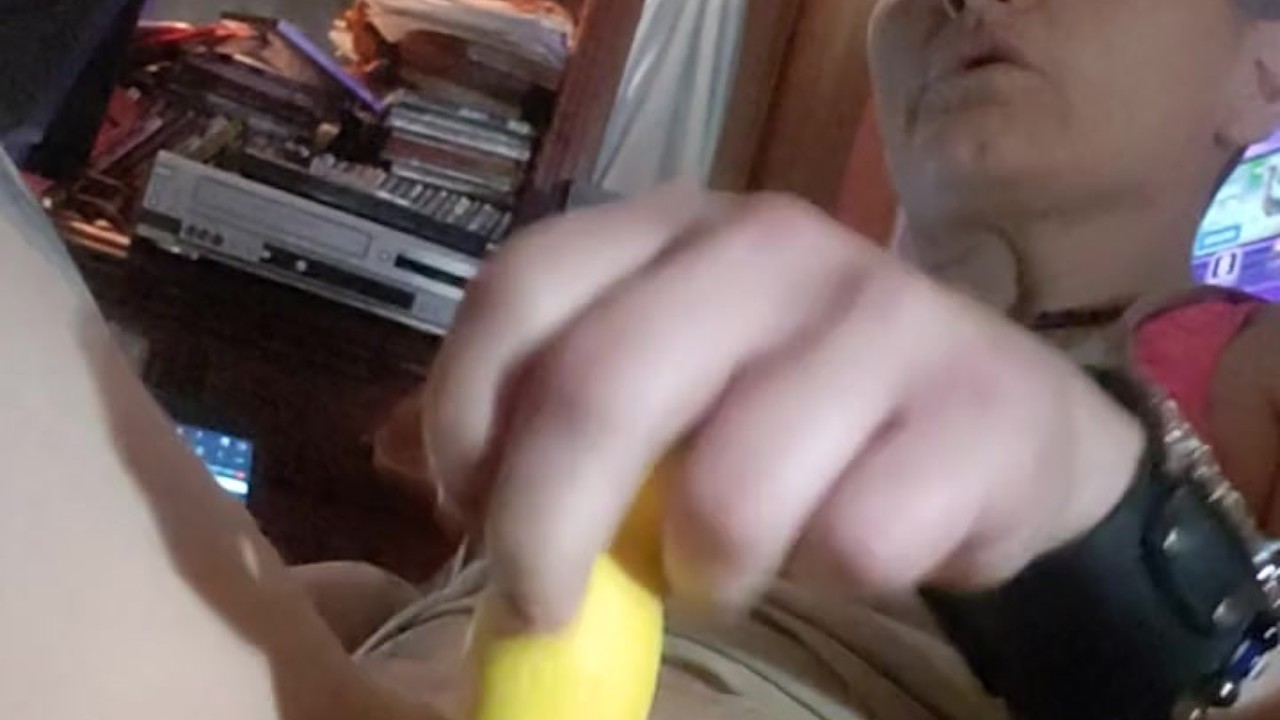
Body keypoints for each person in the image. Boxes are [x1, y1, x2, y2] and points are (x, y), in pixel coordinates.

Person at [5, 3, 1280, 720]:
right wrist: (388, 607)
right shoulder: (741, 332)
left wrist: (1106, 525)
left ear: (1262, 72)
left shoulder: (1250, 368)